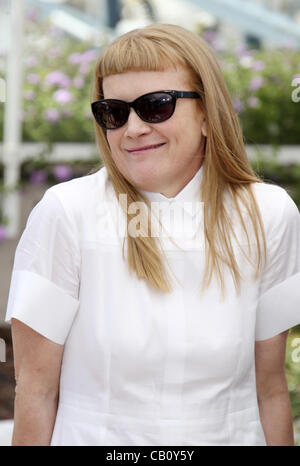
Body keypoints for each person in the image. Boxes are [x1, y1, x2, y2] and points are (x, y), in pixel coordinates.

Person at [5, 23, 300, 446]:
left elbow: (269, 390)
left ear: (206, 114)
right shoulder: (66, 213)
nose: (134, 127)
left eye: (156, 105)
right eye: (114, 112)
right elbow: (36, 392)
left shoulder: (269, 215)